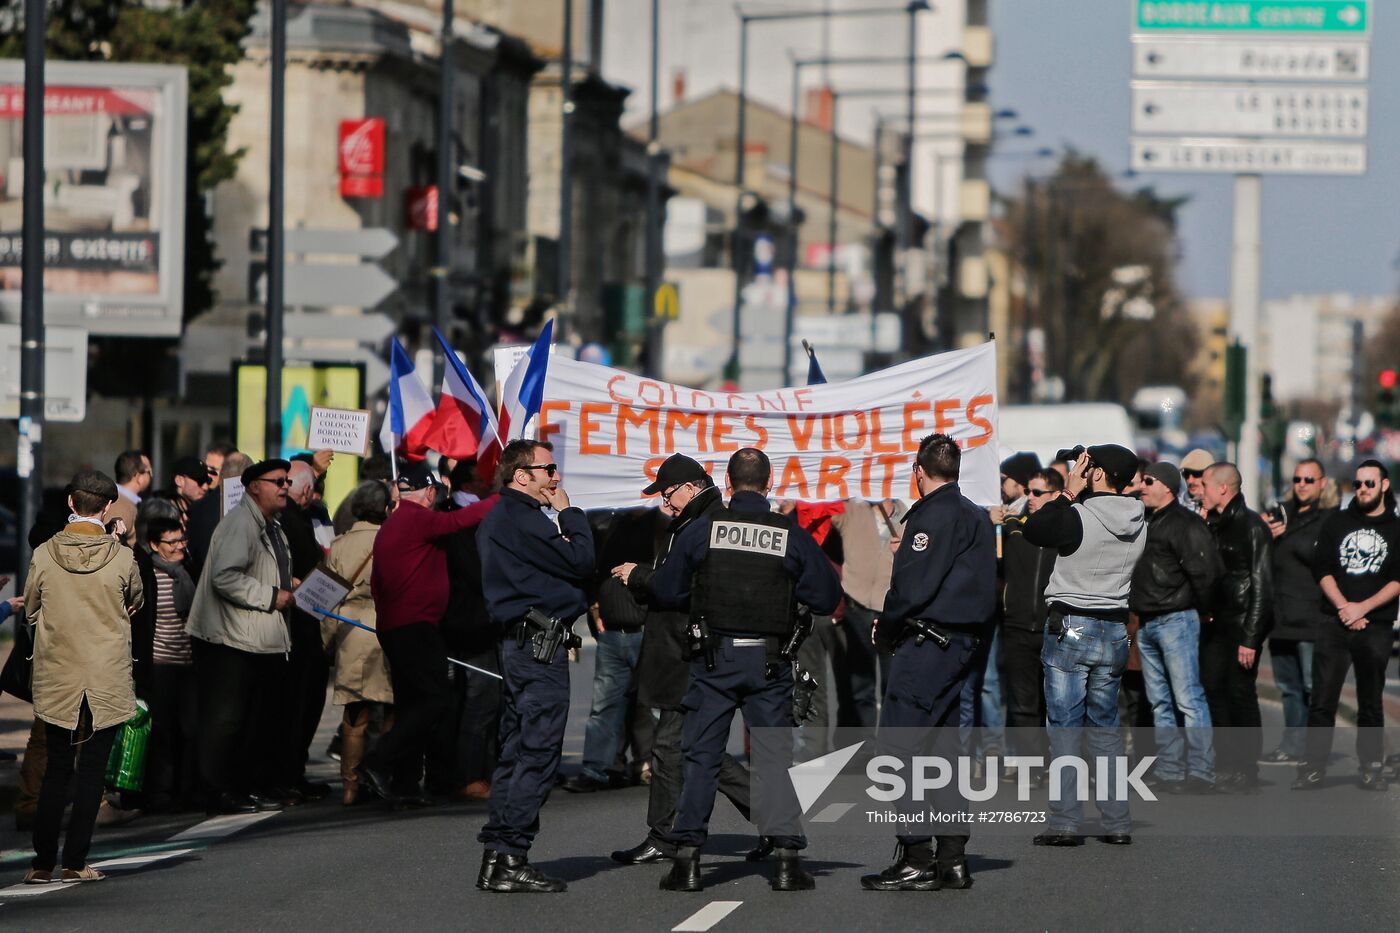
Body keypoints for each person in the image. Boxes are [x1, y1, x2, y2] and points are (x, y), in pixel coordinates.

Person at [648, 448, 841, 893]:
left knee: (701, 758)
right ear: (770, 485)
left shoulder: (703, 531)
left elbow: (669, 589)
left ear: (728, 485)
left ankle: (688, 862)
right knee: (774, 759)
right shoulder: (787, 534)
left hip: (714, 661)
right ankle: (789, 862)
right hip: (770, 664)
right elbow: (827, 596)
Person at [860, 434, 996, 891]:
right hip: (959, 645)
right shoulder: (975, 515)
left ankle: (917, 854)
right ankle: (953, 857)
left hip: (927, 644)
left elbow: (914, 588)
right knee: (941, 752)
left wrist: (888, 623)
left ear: (919, 471)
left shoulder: (932, 515)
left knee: (896, 751)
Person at [608, 454, 757, 868]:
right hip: (683, 649)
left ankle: (664, 836)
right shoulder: (694, 521)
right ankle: (774, 817)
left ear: (691, 487)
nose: (664, 504)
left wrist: (638, 576)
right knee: (694, 744)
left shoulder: (705, 524)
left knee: (672, 746)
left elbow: (682, 587)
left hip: (687, 652)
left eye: (668, 494)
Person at [477, 440, 595, 894]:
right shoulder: (521, 518)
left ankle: (498, 857)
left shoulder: (505, 518)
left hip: (524, 646)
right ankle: (510, 855)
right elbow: (581, 560)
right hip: (536, 649)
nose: (556, 478)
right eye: (549, 469)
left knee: (516, 750)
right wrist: (570, 514)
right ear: (521, 475)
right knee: (538, 752)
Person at [22, 470, 144, 884]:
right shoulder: (123, 557)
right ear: (108, 507)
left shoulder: (43, 553)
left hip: (59, 671)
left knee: (56, 767)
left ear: (71, 504)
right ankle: (76, 860)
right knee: (92, 770)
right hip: (105, 673)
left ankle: (41, 863)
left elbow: (31, 609)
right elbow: (135, 600)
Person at [1023, 444, 1146, 846]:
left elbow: (1034, 529)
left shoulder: (1077, 514)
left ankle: (1065, 821)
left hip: (1071, 625)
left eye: (1086, 465)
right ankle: (1116, 821)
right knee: (1106, 728)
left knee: (1065, 727)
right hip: (1113, 627)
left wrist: (1069, 492)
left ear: (1096, 473)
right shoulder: (1138, 518)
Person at [357, 462, 497, 808]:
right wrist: (503, 497)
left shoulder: (392, 524)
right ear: (430, 492)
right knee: (435, 700)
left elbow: (377, 585)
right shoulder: (415, 517)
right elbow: (457, 521)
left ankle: (402, 782)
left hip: (398, 625)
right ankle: (377, 763)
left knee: (411, 704)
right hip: (415, 627)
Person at [186, 458, 296, 815]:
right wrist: (270, 595)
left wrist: (287, 586)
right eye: (277, 481)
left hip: (252, 637)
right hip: (228, 638)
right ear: (253, 487)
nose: (285, 486)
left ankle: (238, 787)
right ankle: (216, 791)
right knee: (225, 721)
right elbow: (225, 576)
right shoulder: (241, 524)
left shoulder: (270, 525)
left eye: (287, 481)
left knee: (247, 719)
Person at [1296, 460, 1400, 791]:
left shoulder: (1396, 529)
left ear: (1384, 485)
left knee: (1370, 701)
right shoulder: (1336, 522)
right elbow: (1322, 568)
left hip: (1376, 623)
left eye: (1369, 484)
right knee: (1323, 698)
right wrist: (1343, 607)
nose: (1362, 490)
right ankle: (1313, 767)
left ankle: (1371, 766)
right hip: (1334, 621)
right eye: (1357, 484)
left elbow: (1398, 579)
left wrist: (1362, 608)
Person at [1129, 463, 1222, 793]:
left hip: (1176, 619)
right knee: (1159, 702)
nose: (1142, 486)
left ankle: (1201, 770)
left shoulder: (1186, 523)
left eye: (1148, 481)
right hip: (1148, 621)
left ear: (1167, 487)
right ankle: (1170, 768)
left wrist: (1205, 610)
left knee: (1187, 698)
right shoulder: (1145, 521)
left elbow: (1207, 571)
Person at [561, 506, 657, 793]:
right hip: (613, 633)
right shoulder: (607, 522)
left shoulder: (660, 526)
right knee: (605, 706)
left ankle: (650, 764)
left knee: (649, 705)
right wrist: (593, 604)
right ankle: (599, 768)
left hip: (646, 631)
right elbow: (593, 569)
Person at [1199, 462, 1273, 792]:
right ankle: (1225, 762)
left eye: (1205, 484)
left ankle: (1246, 766)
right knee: (1214, 689)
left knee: (1240, 693)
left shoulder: (1252, 527)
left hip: (1243, 623)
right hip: (1216, 621)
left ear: (1223, 488)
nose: (1200, 489)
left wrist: (1251, 638)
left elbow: (1262, 585)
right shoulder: (1212, 524)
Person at [324, 481, 394, 805]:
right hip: (386, 628)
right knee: (390, 709)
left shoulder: (339, 545)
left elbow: (326, 599)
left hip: (350, 632)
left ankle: (349, 787)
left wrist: (325, 639)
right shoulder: (393, 539)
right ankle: (382, 776)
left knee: (355, 716)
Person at [1261, 458, 1334, 766]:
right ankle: (1292, 746)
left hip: (1312, 619)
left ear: (1321, 483)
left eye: (1309, 480)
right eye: (1298, 479)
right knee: (1289, 689)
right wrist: (1266, 535)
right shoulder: (1280, 515)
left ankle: (1315, 750)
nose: (1302, 485)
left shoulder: (1329, 521)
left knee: (1312, 687)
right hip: (1281, 618)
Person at [439, 459, 501, 801]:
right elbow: (475, 571)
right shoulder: (457, 520)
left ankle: (484, 771)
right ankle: (468, 775)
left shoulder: (473, 517)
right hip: (468, 622)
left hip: (481, 621)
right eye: (484, 478)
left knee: (486, 701)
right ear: (469, 483)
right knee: (479, 700)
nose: (490, 483)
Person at [275, 456, 335, 802]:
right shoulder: (287, 521)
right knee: (296, 706)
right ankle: (288, 774)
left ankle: (294, 772)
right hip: (296, 622)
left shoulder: (292, 517)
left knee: (306, 704)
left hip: (305, 620)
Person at [999, 467, 1062, 770]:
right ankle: (1032, 765)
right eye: (1028, 491)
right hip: (1018, 625)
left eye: (1038, 492)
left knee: (1057, 703)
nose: (1030, 497)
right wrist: (991, 525)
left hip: (1054, 627)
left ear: (1057, 495)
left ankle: (1061, 763)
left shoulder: (1067, 531)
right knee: (1023, 703)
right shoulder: (1014, 525)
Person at [828, 497, 905, 728]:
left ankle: (890, 750)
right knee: (861, 687)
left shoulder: (908, 517)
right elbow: (824, 508)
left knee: (892, 687)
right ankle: (865, 749)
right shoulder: (852, 510)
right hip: (857, 607)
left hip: (891, 612)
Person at [141, 516, 199, 812]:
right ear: (154, 544)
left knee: (189, 729)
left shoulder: (187, 572)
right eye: (171, 542)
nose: (179, 547)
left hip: (188, 662)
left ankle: (184, 790)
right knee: (163, 731)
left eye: (181, 540)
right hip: (160, 662)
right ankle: (160, 793)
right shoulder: (148, 575)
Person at [108, 450, 151, 546]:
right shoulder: (120, 506)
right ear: (139, 477)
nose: (151, 476)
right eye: (149, 472)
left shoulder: (114, 498)